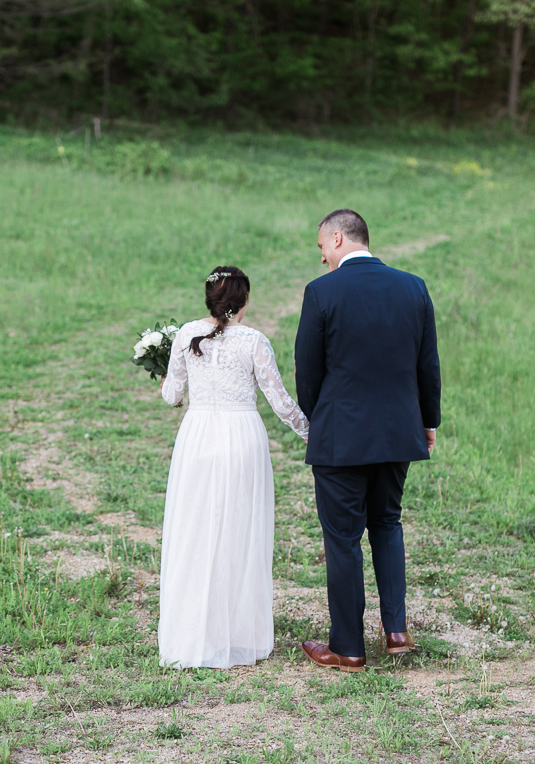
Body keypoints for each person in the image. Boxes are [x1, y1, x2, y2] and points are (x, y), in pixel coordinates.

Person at [294, 209, 441, 672]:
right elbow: (427, 364)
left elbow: (308, 373)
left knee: (342, 539)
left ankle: (348, 647)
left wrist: (324, 417)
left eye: (322, 247)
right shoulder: (413, 287)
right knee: (387, 522)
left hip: (342, 434)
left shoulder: (321, 293)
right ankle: (395, 629)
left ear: (338, 239)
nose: (322, 258)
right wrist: (427, 420)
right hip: (400, 430)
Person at [158, 266, 309, 669]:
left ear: (209, 299)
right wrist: (312, 432)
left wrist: (168, 375)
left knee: (196, 531)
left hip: (198, 438)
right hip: (242, 438)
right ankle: (240, 634)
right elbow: (279, 402)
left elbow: (172, 394)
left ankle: (193, 635)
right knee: (242, 531)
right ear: (244, 302)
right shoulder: (255, 341)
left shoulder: (186, 335)